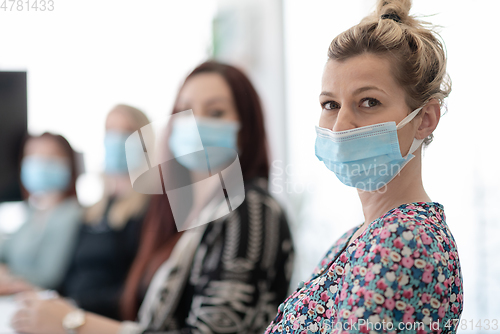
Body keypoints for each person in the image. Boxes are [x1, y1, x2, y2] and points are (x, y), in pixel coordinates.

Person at [11, 61, 294, 334]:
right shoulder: (192, 213)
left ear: (247, 127)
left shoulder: (252, 210)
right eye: (185, 111)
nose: (194, 123)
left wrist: (73, 322)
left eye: (216, 112)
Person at [264, 0, 463, 333]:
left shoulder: (403, 240)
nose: (340, 126)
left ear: (425, 119)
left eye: (368, 102)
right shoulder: (357, 236)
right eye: (330, 104)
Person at [56, 104, 152, 320]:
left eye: (126, 131)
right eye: (110, 131)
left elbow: (137, 289)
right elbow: (69, 273)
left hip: (102, 320)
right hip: (69, 314)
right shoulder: (92, 211)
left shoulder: (150, 210)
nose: (116, 139)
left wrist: (74, 306)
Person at [0, 132, 82, 294]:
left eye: (50, 158)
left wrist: (7, 277)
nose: (40, 164)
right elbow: (6, 251)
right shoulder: (33, 212)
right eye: (33, 157)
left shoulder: (70, 214)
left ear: (69, 165)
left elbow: (48, 277)